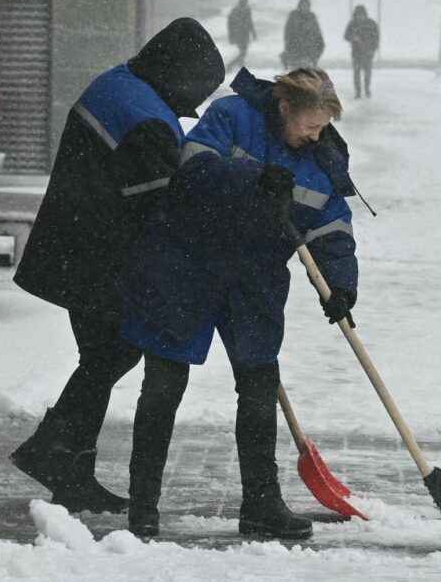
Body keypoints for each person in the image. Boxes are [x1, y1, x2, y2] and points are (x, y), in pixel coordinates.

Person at [117, 66, 361, 539]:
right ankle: (143, 505)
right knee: (165, 382)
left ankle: (261, 506)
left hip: (255, 279)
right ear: (285, 106)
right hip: (188, 265)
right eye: (310, 125)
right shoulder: (232, 116)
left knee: (258, 385)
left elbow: (332, 228)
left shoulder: (322, 158)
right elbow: (192, 169)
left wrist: (341, 287)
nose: (315, 137)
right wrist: (253, 178)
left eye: (323, 128)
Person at [10, 18, 225, 514]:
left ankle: (64, 462)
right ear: (177, 74)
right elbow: (161, 206)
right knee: (113, 353)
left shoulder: (119, 83)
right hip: (92, 257)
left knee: (106, 354)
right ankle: (56, 455)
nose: (192, 108)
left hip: (73, 246)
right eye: (193, 93)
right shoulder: (146, 118)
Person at [343, 5, 380, 99]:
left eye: (362, 14)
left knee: (367, 73)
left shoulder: (371, 23)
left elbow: (376, 38)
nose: (360, 16)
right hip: (356, 53)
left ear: (365, 14)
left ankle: (367, 89)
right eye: (358, 15)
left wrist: (373, 49)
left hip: (368, 53)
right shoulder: (352, 24)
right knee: (357, 73)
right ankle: (358, 92)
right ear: (355, 15)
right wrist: (353, 38)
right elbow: (346, 36)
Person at [282, 0, 324, 70]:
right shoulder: (293, 16)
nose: (305, 7)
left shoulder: (312, 17)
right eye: (303, 5)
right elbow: (287, 34)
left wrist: (317, 51)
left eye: (307, 6)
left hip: (308, 52)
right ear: (299, 6)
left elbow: (317, 34)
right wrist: (289, 47)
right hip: (295, 51)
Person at [227, 0, 258, 71]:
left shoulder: (247, 10)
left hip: (244, 34)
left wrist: (253, 33)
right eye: (244, 1)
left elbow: (250, 22)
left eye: (245, 1)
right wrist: (231, 36)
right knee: (243, 53)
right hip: (239, 35)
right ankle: (230, 65)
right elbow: (230, 24)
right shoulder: (236, 10)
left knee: (243, 52)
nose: (245, 3)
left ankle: (240, 68)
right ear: (241, 1)